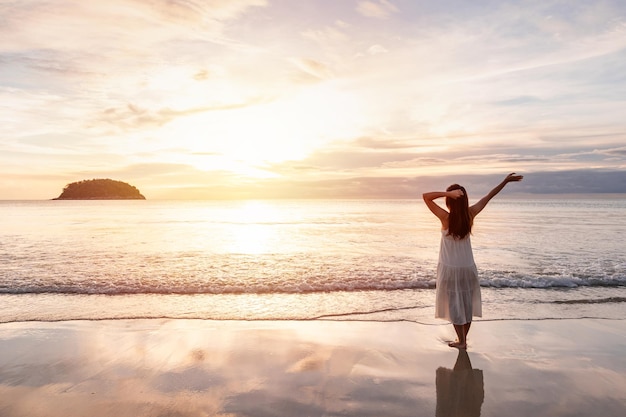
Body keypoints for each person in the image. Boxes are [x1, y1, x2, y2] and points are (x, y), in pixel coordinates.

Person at [423, 173, 523, 349]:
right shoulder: (471, 214)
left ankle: (461, 340)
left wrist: (448, 194)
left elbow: (426, 197)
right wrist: (505, 181)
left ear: (450, 202)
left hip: (450, 268)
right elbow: (489, 196)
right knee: (466, 305)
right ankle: (463, 340)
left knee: (455, 306)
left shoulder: (445, 218)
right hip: (467, 267)